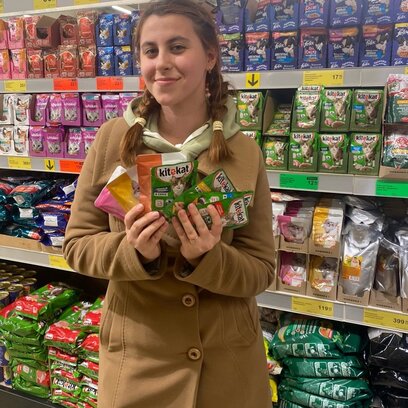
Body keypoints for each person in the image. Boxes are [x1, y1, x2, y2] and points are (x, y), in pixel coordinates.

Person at [63, 0, 276, 406]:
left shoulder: (244, 152)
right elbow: (76, 246)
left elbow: (261, 269)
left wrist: (208, 258)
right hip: (139, 366)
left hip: (226, 370)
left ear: (210, 56)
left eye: (177, 47)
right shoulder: (112, 140)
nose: (162, 63)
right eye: (150, 51)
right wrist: (134, 252)